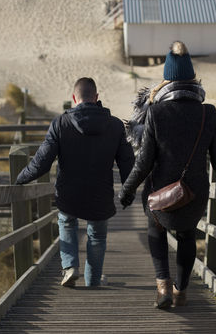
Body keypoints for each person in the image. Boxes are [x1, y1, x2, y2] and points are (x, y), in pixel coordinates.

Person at [118, 41, 216, 309]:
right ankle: (180, 291)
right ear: (192, 77)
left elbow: (144, 162)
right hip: (194, 195)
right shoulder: (209, 113)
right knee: (187, 236)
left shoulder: (157, 112)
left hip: (161, 195)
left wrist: (127, 190)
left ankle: (162, 286)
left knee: (155, 228)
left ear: (167, 79)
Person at [15, 77, 135, 287]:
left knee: (66, 222)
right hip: (100, 194)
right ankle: (93, 280)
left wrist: (20, 179)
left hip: (68, 193)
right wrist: (128, 193)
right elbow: (127, 164)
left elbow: (41, 162)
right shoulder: (115, 125)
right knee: (97, 236)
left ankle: (70, 267)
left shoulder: (60, 123)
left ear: (73, 98)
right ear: (96, 97)